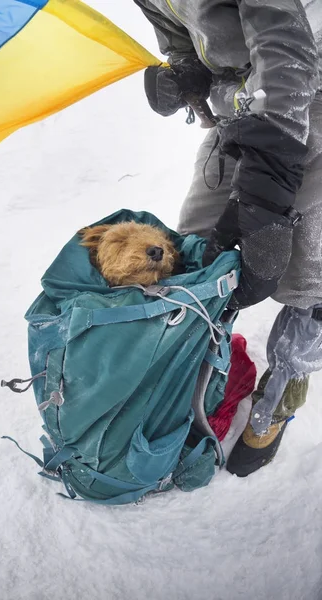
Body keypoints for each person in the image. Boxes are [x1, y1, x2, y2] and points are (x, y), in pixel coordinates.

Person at [133, 0, 322, 477]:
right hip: (242, 109)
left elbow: (285, 41)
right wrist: (187, 75)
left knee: (311, 284)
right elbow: (181, 34)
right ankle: (188, 387)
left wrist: (270, 181)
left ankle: (278, 400)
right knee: (193, 260)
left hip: (308, 93)